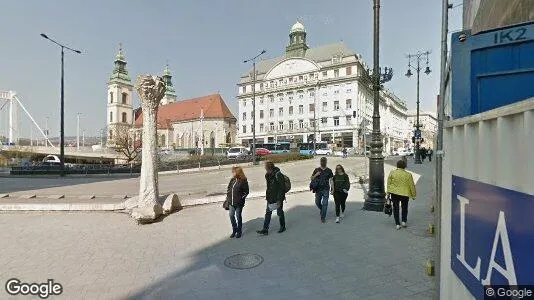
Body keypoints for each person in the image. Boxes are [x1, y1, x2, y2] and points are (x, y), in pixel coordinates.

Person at [257, 161, 286, 235]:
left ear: (269, 168)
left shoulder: (278, 174)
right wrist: (267, 196)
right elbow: (269, 187)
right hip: (270, 197)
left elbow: (282, 188)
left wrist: (279, 199)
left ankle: (283, 226)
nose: (265, 169)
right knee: (268, 213)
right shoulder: (267, 175)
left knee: (279, 212)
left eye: (266, 167)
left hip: (278, 197)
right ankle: (265, 229)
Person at [386, 159, 417, 230]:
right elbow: (411, 185)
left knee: (396, 208)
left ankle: (397, 224)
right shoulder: (408, 175)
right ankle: (403, 221)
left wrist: (388, 192)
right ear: (404, 166)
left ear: (397, 165)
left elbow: (389, 184)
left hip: (394, 193)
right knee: (404, 208)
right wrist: (413, 195)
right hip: (405, 194)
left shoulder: (392, 173)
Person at [226, 167, 249, 238]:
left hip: (238, 203)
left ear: (238, 173)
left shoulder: (243, 181)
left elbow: (246, 192)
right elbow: (229, 189)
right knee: (231, 215)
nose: (232, 173)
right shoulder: (232, 180)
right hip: (231, 202)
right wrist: (228, 197)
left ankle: (239, 231)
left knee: (238, 216)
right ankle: (234, 229)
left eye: (234, 172)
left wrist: (240, 199)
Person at [311, 157, 334, 223]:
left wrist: (332, 189)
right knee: (317, 202)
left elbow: (331, 180)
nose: (323, 162)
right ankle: (322, 210)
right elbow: (311, 178)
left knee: (325, 204)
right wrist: (316, 174)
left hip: (326, 189)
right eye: (322, 161)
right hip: (318, 189)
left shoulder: (329, 170)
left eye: (324, 161)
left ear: (326, 162)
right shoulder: (317, 170)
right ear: (320, 162)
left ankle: (323, 217)